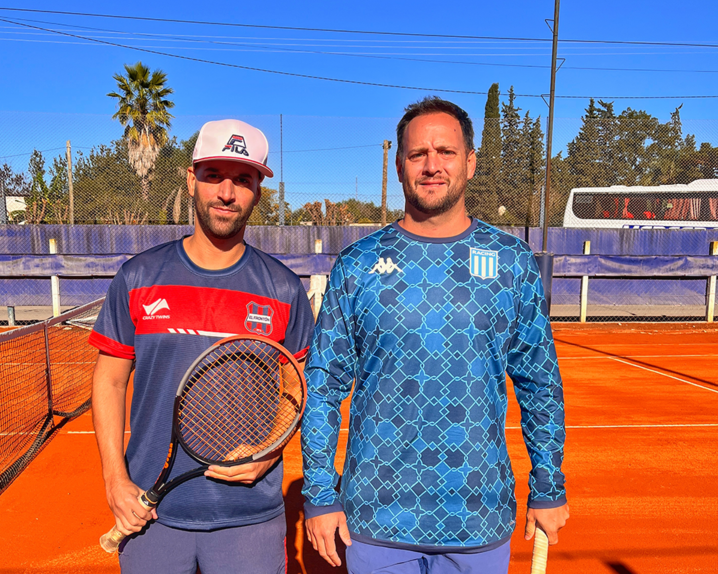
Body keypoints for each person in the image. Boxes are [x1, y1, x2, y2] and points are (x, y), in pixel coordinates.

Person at [301, 97, 568, 574]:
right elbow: (322, 386)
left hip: (479, 520)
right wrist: (320, 493)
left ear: (470, 162)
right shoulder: (358, 265)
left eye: (446, 152)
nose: (432, 166)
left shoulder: (512, 261)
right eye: (417, 154)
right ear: (399, 166)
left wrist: (547, 486)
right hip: (376, 520)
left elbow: (539, 382)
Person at [89, 119, 315, 574]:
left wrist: (270, 451)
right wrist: (115, 480)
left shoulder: (284, 289)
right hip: (151, 514)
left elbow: (297, 384)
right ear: (191, 179)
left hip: (249, 519)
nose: (227, 193)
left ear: (257, 192)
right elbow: (109, 381)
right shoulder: (138, 277)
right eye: (214, 176)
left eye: (243, 180)